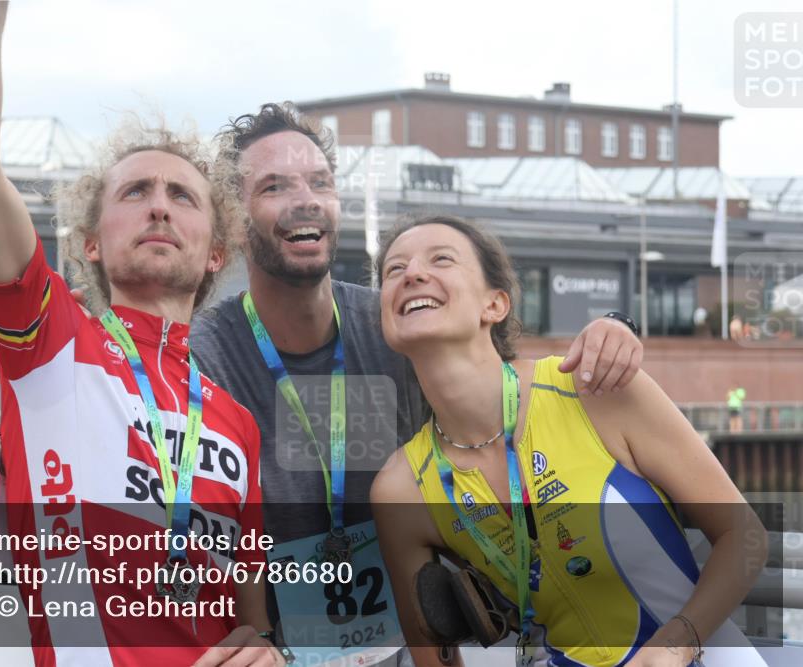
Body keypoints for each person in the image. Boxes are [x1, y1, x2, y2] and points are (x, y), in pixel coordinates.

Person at [186, 103, 646, 665]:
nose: (305, 199)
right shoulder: (200, 353)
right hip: (275, 651)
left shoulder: (394, 324)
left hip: (417, 640)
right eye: (275, 186)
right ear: (234, 221)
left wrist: (611, 331)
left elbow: (502, 388)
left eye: (320, 182)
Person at [0, 3, 276, 665]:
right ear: (91, 243)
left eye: (183, 196)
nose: (159, 203)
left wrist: (264, 647)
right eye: (135, 192)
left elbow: (249, 617)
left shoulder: (237, 422)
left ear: (215, 252)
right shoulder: (50, 342)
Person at [369, 215, 767, 667]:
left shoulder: (592, 389)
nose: (413, 274)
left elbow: (745, 534)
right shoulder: (401, 488)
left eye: (441, 259)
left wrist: (675, 646)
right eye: (394, 271)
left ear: (495, 304)